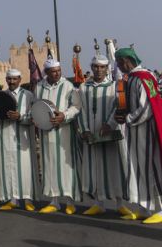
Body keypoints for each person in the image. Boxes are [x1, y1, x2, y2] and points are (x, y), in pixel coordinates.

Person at [78, 56, 130, 217]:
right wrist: (84, 129)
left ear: (107, 68)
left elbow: (118, 107)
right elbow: (81, 109)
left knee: (115, 167)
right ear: (92, 68)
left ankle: (120, 203)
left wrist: (109, 124)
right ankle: (98, 203)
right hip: (93, 133)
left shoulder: (114, 86)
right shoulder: (84, 87)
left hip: (111, 133)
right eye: (96, 67)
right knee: (95, 167)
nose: (99, 70)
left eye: (102, 67)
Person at [114, 47, 162, 224]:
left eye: (119, 63)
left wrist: (128, 118)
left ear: (127, 60)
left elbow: (147, 107)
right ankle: (145, 207)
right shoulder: (131, 79)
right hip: (135, 131)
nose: (118, 66)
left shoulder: (145, 78)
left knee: (152, 167)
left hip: (147, 130)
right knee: (139, 168)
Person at [34, 59, 82, 214]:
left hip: (64, 133)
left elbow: (76, 106)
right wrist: (37, 119)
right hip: (46, 133)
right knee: (49, 165)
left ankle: (70, 202)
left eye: (59, 70)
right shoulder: (39, 86)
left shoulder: (68, 85)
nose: (57, 73)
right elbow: (36, 106)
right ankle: (54, 201)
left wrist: (64, 115)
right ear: (46, 72)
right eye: (53, 71)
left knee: (67, 167)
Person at [0, 69, 39, 211]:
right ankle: (12, 199)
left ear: (19, 79)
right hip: (5, 137)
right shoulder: (0, 96)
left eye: (14, 79)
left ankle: (28, 199)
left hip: (23, 139)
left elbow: (34, 116)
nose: (11, 81)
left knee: (25, 169)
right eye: (9, 79)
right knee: (8, 168)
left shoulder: (29, 96)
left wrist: (20, 116)